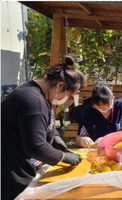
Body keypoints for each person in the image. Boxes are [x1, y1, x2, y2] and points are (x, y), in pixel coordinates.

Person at [1, 56, 87, 200]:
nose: (69, 99)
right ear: (60, 86)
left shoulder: (40, 95)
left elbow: (45, 126)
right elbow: (36, 147)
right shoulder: (33, 102)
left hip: (24, 166)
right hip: (13, 174)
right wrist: (64, 157)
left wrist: (57, 141)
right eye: (70, 95)